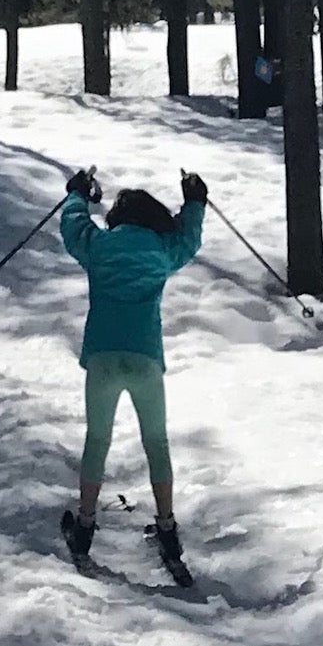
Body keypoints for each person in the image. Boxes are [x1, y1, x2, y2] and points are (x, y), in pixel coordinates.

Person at [57, 168, 208, 574]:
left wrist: (77, 194)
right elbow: (188, 239)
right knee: (156, 442)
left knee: (98, 439)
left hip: (103, 357)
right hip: (144, 358)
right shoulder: (162, 250)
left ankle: (85, 528)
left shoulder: (100, 247)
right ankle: (168, 532)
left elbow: (73, 227)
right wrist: (194, 200)